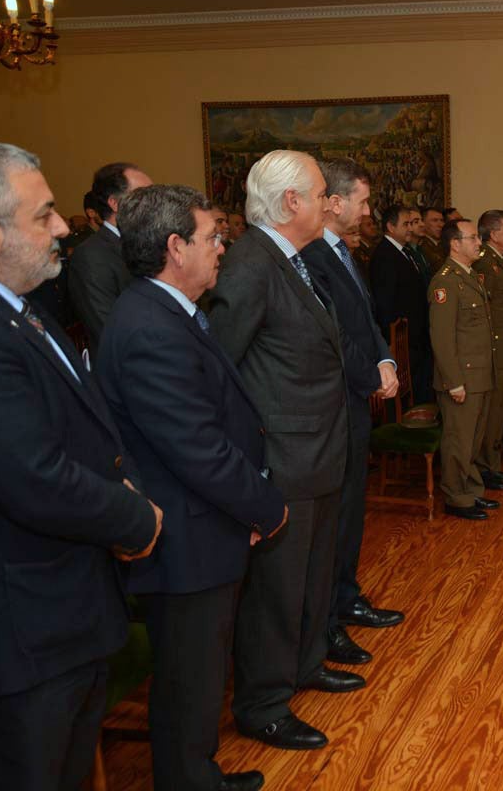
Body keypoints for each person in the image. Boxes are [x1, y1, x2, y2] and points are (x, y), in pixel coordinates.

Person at [0, 141, 162, 790]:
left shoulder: (22, 306)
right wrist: (136, 516)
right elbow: (33, 477)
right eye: (45, 214)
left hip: (69, 618)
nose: (63, 227)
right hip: (25, 638)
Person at [98, 184, 289, 791]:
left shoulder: (171, 311)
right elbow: (197, 450)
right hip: (184, 539)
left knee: (201, 676)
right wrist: (267, 504)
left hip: (202, 527)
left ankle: (197, 773)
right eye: (212, 238)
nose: (221, 249)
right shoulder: (151, 327)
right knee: (189, 681)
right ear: (176, 247)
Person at [208, 150, 363, 752]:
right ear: (292, 202)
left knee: (312, 575)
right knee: (276, 588)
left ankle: (305, 664)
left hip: (320, 450)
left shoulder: (293, 259)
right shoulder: (250, 264)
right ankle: (263, 703)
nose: (329, 202)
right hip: (284, 457)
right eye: (322, 192)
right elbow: (221, 368)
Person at [301, 159, 404, 669]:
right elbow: (334, 335)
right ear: (335, 202)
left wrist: (385, 357)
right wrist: (372, 375)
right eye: (362, 201)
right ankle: (327, 623)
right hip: (334, 403)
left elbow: (365, 320)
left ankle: (346, 595)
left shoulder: (343, 251)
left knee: (351, 512)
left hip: (355, 402)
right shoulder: (311, 257)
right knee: (334, 521)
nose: (368, 211)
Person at [429, 218, 500, 520]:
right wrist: (454, 381)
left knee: (473, 439)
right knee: (459, 440)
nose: (479, 243)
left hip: (479, 373)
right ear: (455, 244)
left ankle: (471, 490)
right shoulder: (445, 281)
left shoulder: (469, 276)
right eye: (472, 238)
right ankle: (457, 497)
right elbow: (442, 338)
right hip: (462, 377)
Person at [68, 161, 154, 357]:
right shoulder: (91, 256)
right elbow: (109, 330)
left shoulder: (149, 243)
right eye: (144, 195)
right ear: (114, 203)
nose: (154, 203)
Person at [473, 209, 503, 490]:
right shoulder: (484, 265)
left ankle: (492, 463)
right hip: (494, 349)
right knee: (490, 412)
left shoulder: (498, 262)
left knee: (499, 408)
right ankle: (485, 466)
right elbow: (484, 313)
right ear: (493, 234)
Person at [370, 204, 434, 404]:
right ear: (390, 226)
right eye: (405, 224)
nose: (410, 228)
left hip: (414, 338)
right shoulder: (385, 255)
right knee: (404, 399)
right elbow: (384, 303)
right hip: (401, 340)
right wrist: (390, 342)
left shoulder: (404, 252)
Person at [419, 206, 445, 271]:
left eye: (442, 220)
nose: (440, 225)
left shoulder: (444, 244)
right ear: (423, 223)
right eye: (435, 220)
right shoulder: (422, 246)